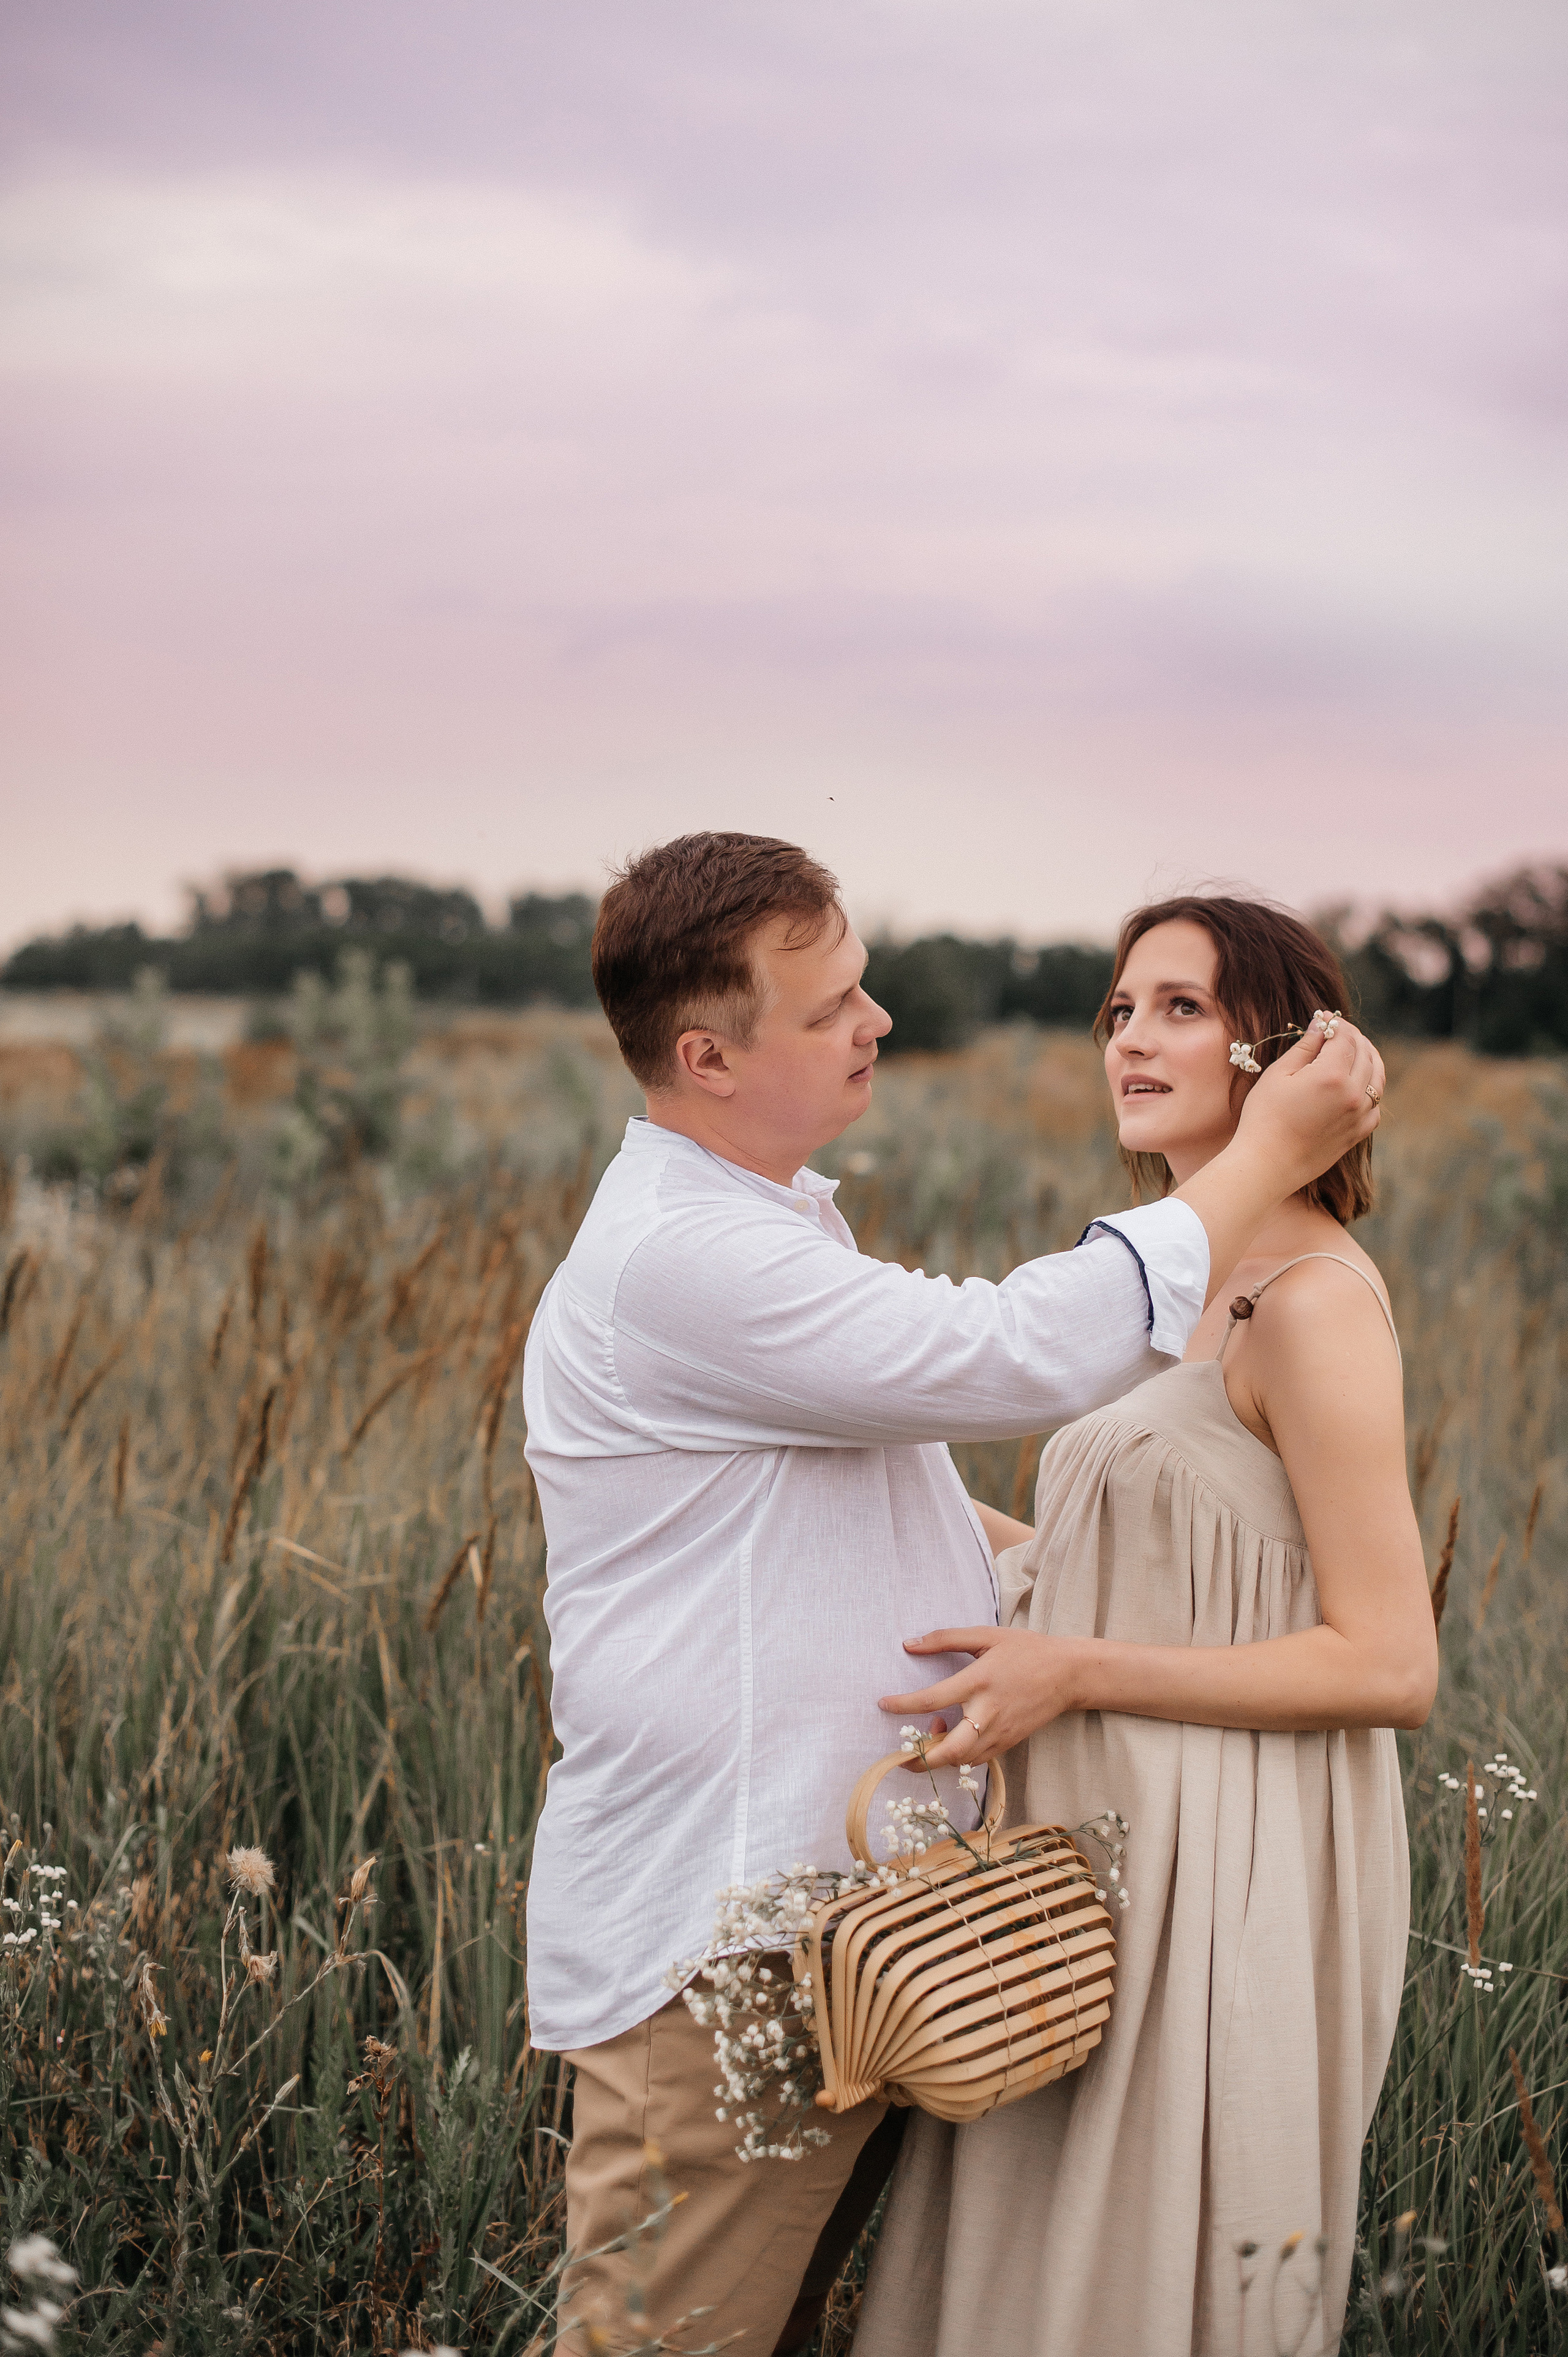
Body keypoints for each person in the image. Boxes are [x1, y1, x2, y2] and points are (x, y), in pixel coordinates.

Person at [521, 838, 1384, 2355]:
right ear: (709, 1053)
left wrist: (1074, 1622)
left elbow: (885, 1510)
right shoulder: (688, 1257)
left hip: (874, 1928)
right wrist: (1268, 1153)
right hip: (727, 1937)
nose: (878, 1021)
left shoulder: (771, 1225)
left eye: (1173, 1007)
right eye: (834, 1003)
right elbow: (1009, 1357)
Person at [857, 894, 1436, 2357]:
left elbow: (1388, 1659)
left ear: (1283, 1048)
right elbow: (1113, 1557)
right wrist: (861, 1467)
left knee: (1146, 2269)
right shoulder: (1164, 1284)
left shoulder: (1309, 1304)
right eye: (1118, 1008)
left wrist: (1077, 1669)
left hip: (1231, 1844)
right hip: (1093, 1840)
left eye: (1179, 1006)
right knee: (1026, 2248)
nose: (1131, 1037)